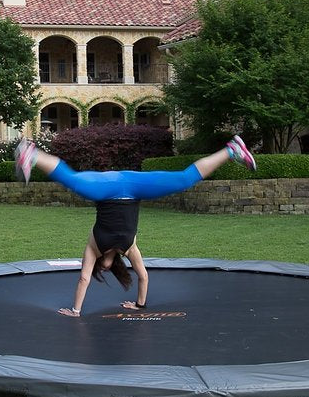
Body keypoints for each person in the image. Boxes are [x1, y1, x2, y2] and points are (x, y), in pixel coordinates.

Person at [14, 134, 257, 317]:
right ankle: (231, 151)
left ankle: (32, 154)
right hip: (134, 187)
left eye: (103, 268)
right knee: (184, 180)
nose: (106, 269)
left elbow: (83, 279)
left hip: (106, 188)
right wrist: (139, 305)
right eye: (109, 270)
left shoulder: (93, 247)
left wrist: (75, 310)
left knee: (73, 181)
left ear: (101, 263)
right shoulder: (129, 248)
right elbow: (143, 276)